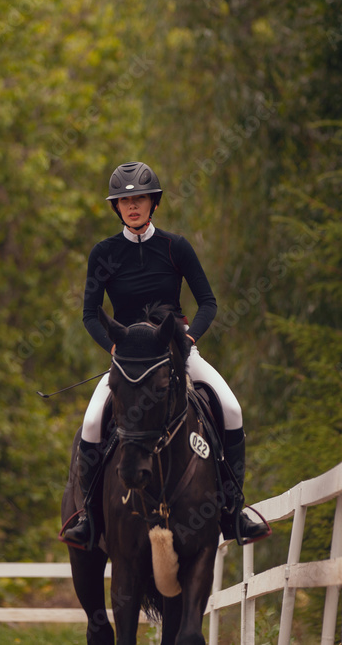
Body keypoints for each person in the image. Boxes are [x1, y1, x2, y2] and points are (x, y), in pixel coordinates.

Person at [60, 161, 270, 550]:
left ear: (153, 203)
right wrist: (114, 347)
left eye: (139, 198)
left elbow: (207, 302)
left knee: (232, 409)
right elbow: (90, 314)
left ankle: (233, 509)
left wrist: (189, 337)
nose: (132, 206)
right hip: (129, 362)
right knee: (91, 423)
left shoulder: (176, 247)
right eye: (124, 201)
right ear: (116, 208)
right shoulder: (103, 252)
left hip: (176, 352)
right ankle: (87, 518)